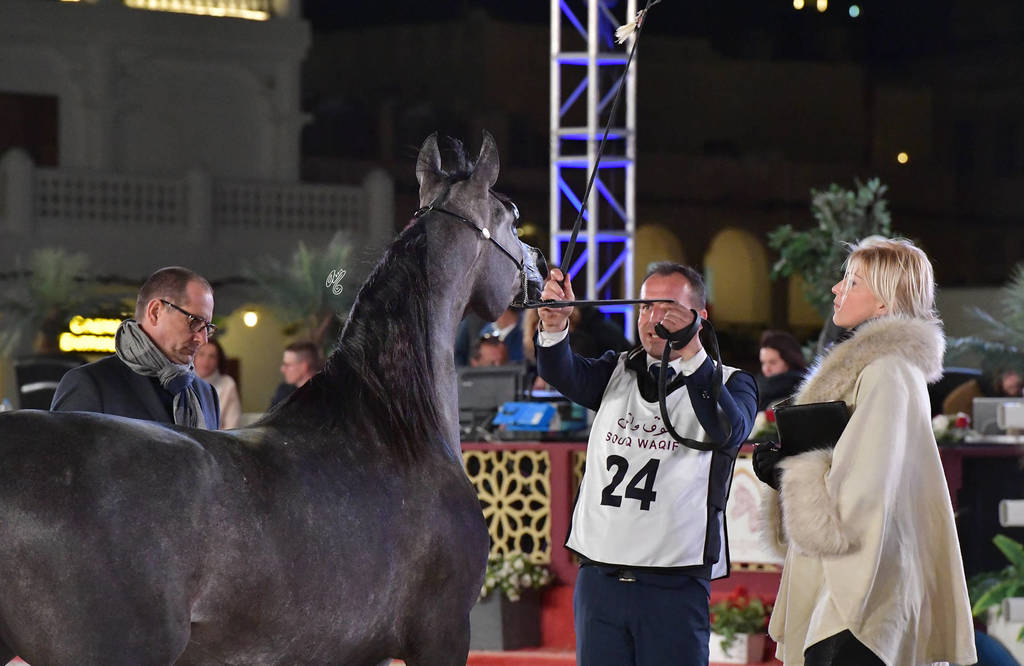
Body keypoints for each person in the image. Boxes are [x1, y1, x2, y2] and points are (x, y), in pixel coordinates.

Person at [752, 237, 976, 666]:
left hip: (863, 586)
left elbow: (865, 489)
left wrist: (791, 472)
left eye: (853, 282)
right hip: (862, 575)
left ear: (884, 302)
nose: (837, 288)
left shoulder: (887, 371)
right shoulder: (887, 369)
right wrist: (790, 467)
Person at [535, 262, 757, 666]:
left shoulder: (731, 381)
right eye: (645, 307)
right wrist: (554, 324)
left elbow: (728, 429)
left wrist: (691, 353)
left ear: (700, 317)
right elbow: (561, 372)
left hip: (673, 581)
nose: (653, 320)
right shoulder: (616, 369)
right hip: (599, 577)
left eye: (668, 308)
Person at [51, 266, 220, 429]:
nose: (203, 339)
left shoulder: (207, 395)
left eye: (207, 327)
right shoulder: (90, 384)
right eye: (195, 321)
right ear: (155, 312)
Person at [194, 339, 241, 429]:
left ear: (218, 360)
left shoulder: (228, 384)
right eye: (201, 354)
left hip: (218, 436)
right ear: (194, 356)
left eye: (212, 356)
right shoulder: (184, 381)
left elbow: (232, 426)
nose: (206, 360)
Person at [756, 329, 807, 410]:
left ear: (789, 361)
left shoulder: (803, 392)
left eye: (773, 362)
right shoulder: (755, 390)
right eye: (763, 363)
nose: (766, 369)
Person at [943, 367, 1024, 415]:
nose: (1015, 388)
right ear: (1010, 375)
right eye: (1016, 385)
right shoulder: (987, 384)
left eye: (1017, 387)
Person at [268, 341, 322, 409]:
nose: (282, 369)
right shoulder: (283, 390)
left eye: (287, 365)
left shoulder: (325, 394)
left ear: (303, 367)